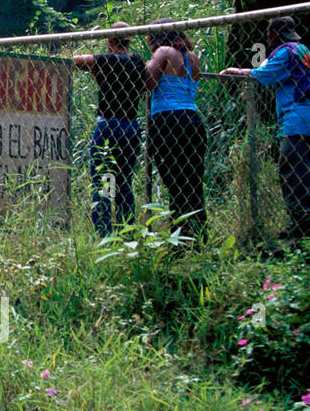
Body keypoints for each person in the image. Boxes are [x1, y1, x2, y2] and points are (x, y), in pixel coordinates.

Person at [221, 16, 310, 240]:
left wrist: (239, 72)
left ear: (274, 34)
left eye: (269, 33)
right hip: (304, 113)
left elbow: (265, 75)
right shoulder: (303, 49)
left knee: (292, 169)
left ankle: (301, 225)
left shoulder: (285, 52)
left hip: (296, 118)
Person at [74, 22, 145, 235]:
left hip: (108, 126)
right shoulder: (137, 61)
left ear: (109, 40)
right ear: (130, 39)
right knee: (124, 181)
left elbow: (78, 61)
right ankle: (127, 231)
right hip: (131, 126)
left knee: (104, 181)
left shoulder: (108, 60)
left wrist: (94, 64)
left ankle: (104, 233)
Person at [144, 21, 207, 242]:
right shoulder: (193, 57)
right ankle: (199, 234)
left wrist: (144, 64)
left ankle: (180, 237)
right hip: (193, 120)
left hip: (169, 121)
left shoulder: (164, 52)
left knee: (175, 182)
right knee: (193, 181)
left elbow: (147, 81)